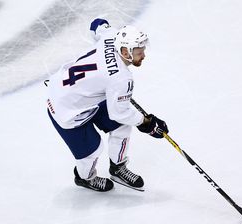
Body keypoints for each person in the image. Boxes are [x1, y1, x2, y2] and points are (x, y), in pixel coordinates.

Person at [45, 18, 169, 192]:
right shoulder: (121, 78)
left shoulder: (112, 37)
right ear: (125, 52)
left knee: (122, 126)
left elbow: (97, 24)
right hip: (67, 111)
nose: (144, 55)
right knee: (92, 151)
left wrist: (104, 25)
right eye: (140, 52)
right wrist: (147, 123)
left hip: (73, 93)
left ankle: (118, 168)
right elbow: (119, 113)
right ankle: (85, 178)